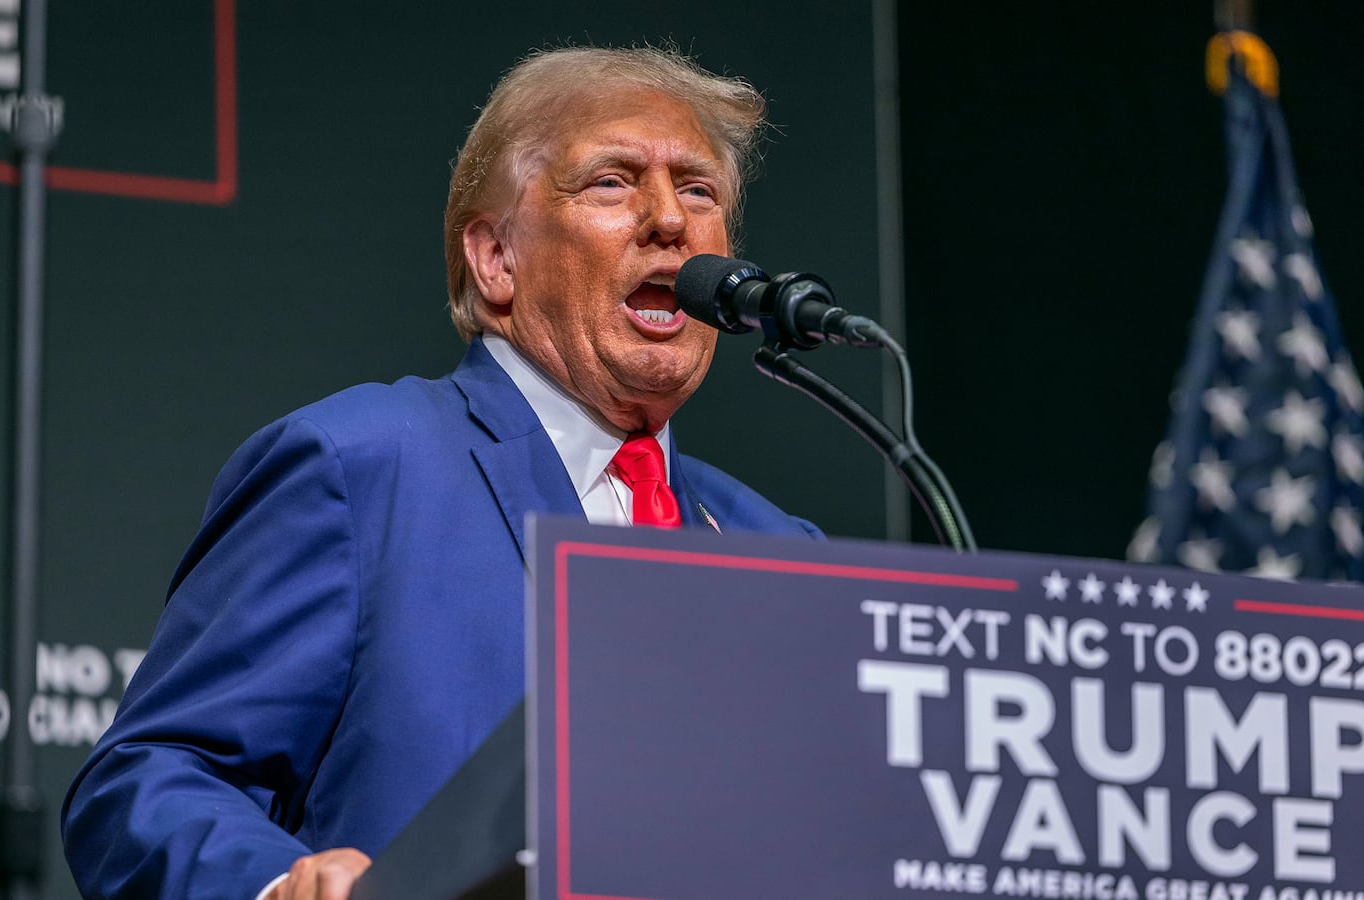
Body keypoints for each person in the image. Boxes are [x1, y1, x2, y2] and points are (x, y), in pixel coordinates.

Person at [60, 45, 821, 900]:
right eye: (611, 182)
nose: (670, 222)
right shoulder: (360, 470)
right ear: (497, 258)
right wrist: (283, 885)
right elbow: (146, 781)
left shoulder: (779, 549)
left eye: (698, 190)